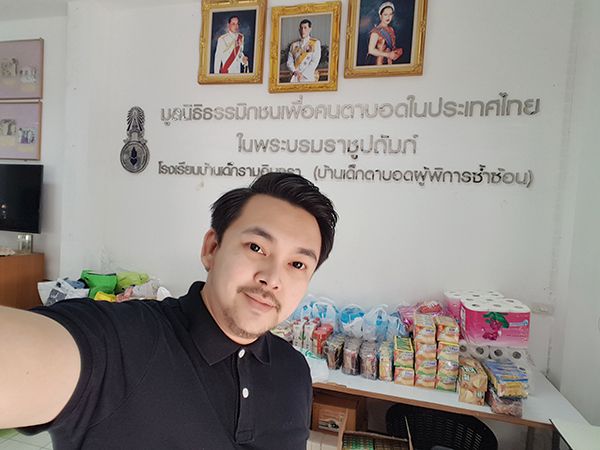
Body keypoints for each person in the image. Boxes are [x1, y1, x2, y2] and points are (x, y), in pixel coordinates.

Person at [0, 172, 338, 449]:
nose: (272, 279)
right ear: (212, 248)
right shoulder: (123, 345)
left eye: (297, 264)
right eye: (256, 247)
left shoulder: (294, 371)